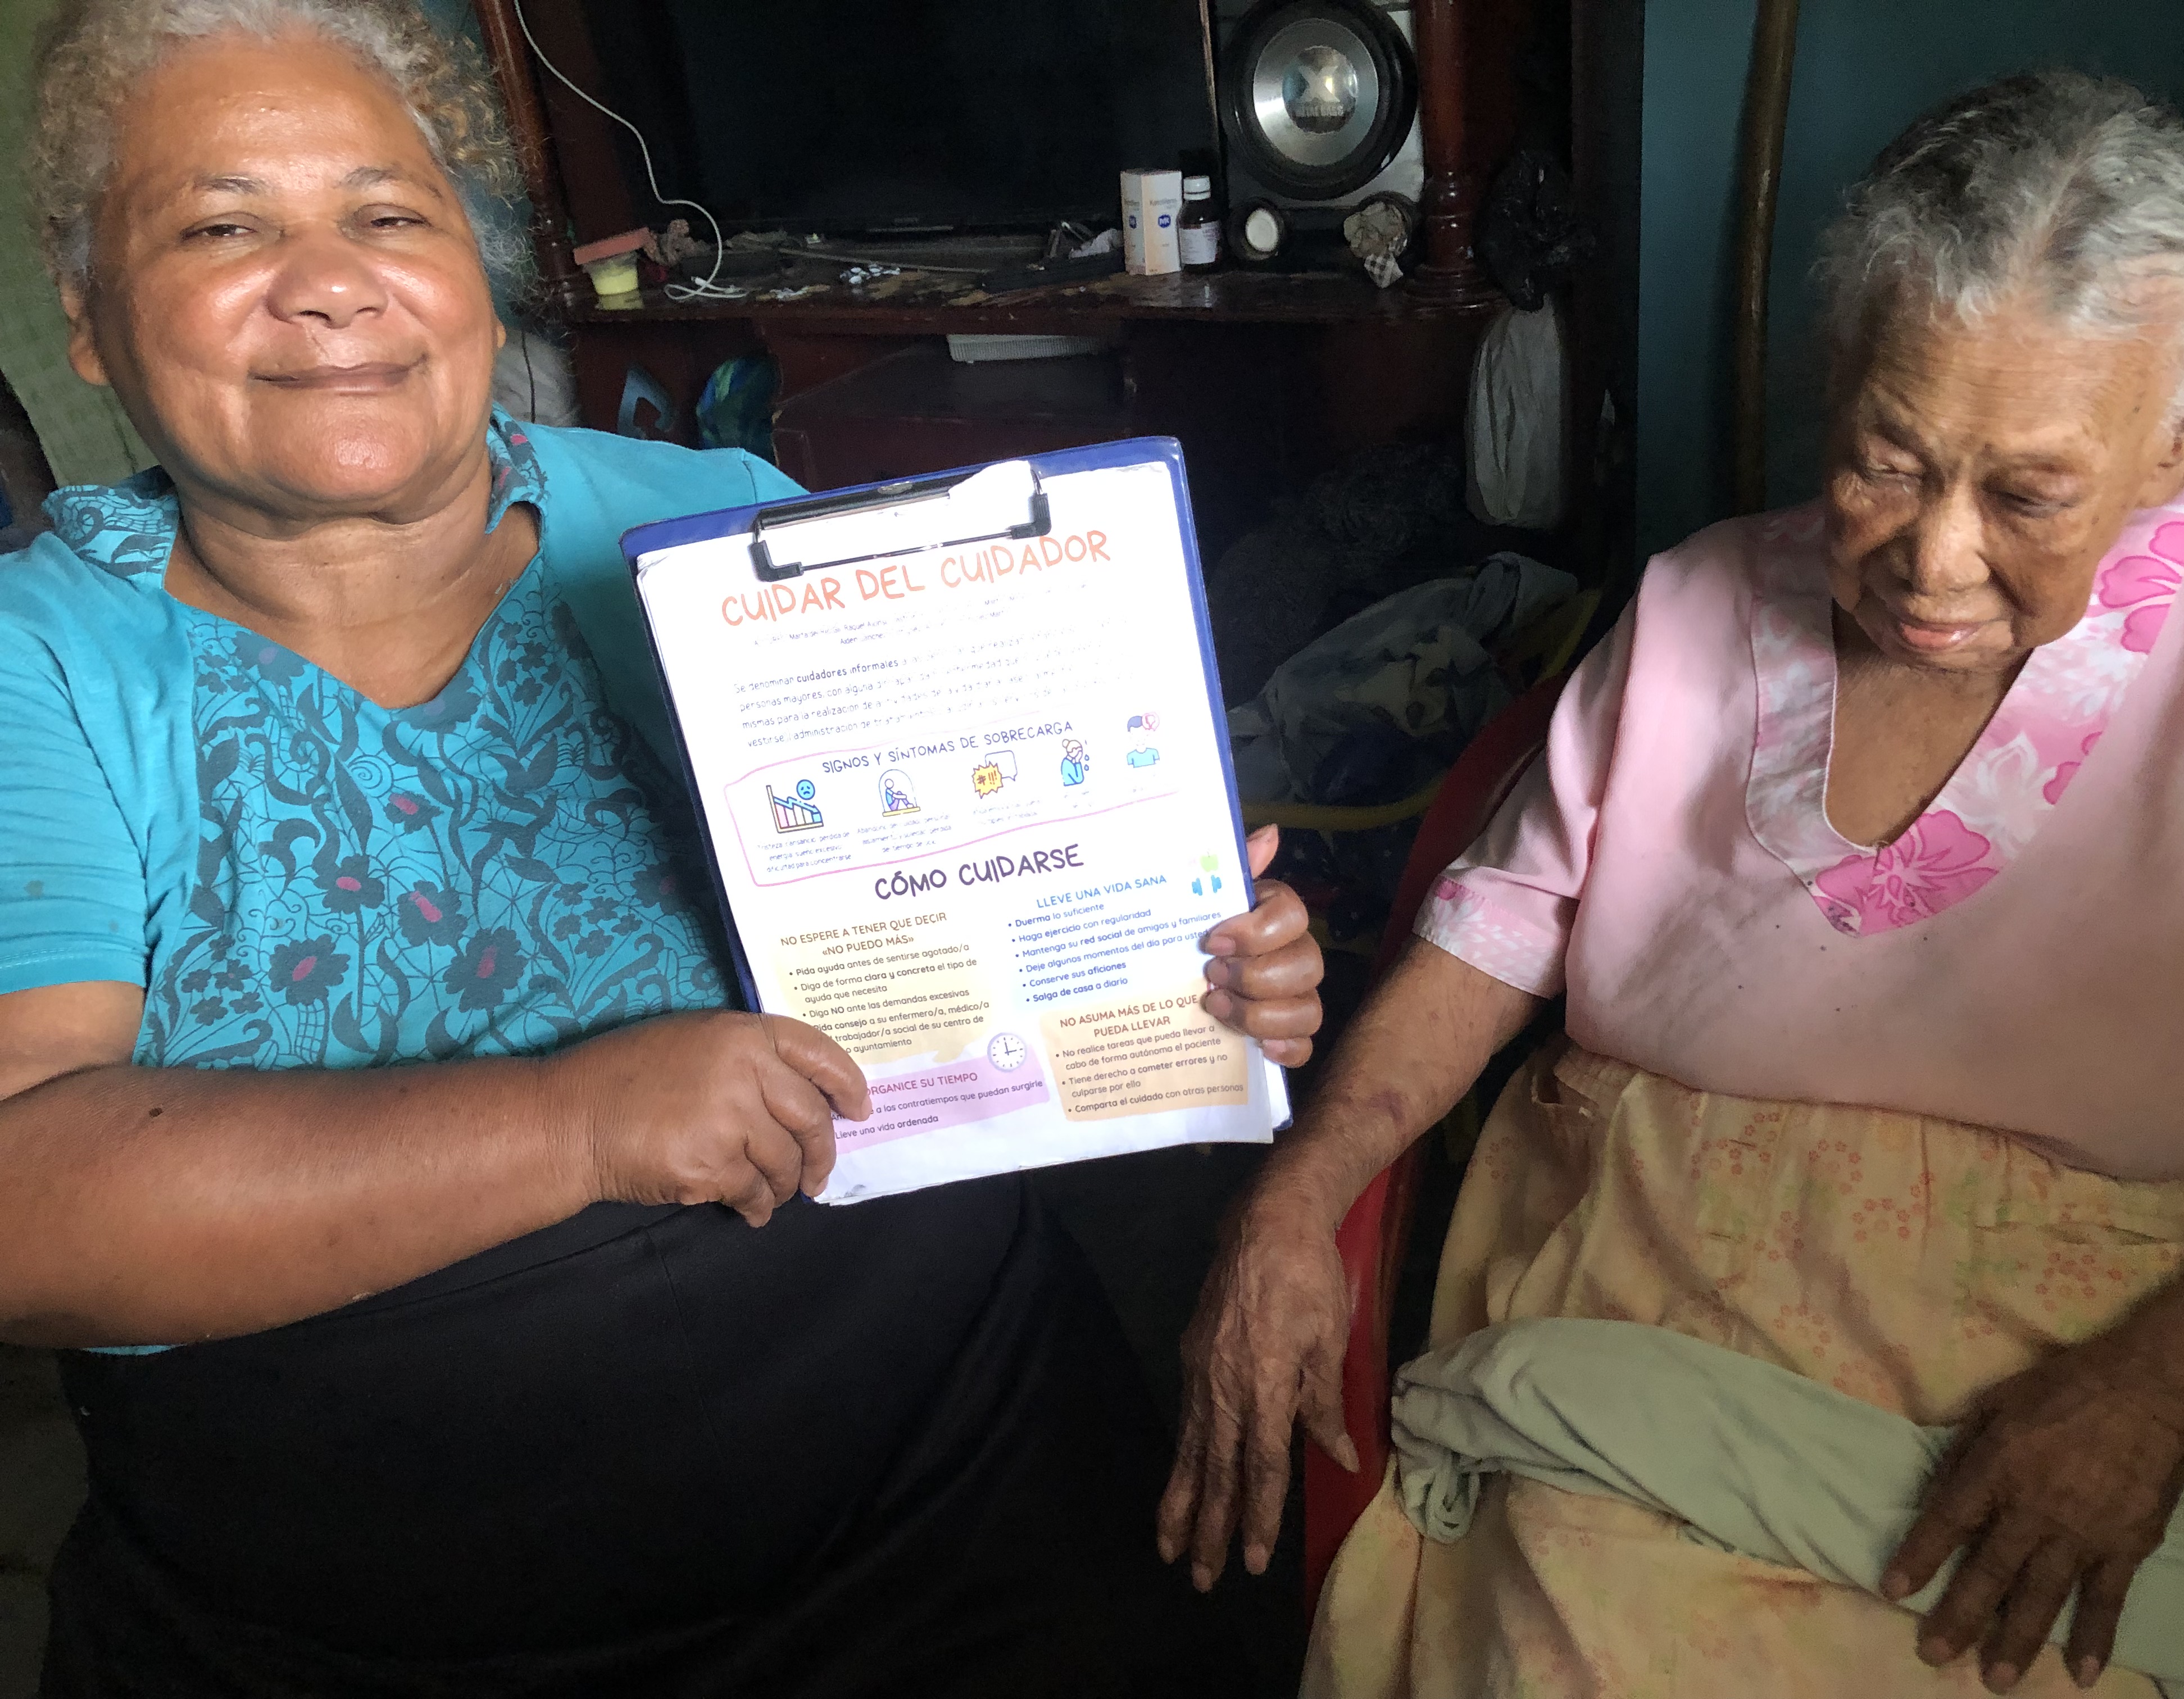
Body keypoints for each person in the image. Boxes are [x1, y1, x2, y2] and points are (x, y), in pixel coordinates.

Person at [2, 2, 1324, 1692]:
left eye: (388, 213)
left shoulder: (720, 521)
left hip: (947, 1487)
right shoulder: (39, 663)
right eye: (222, 227)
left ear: (477, 276)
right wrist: (579, 1123)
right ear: (88, 320)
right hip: (360, 1618)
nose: (330, 282)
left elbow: (978, 964)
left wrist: (1175, 967)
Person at [1163, 71, 2184, 1698]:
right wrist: (1293, 1197)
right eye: (1886, 461)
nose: (1934, 561)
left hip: (2092, 1327)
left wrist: (2166, 1393)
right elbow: (1495, 932)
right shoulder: (1695, 604)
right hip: (1643, 1282)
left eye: (2029, 494)